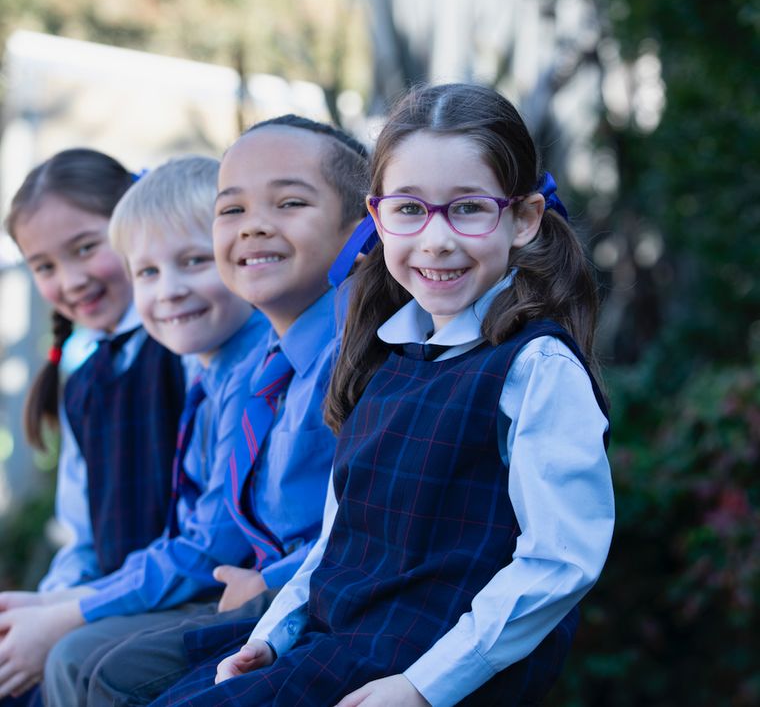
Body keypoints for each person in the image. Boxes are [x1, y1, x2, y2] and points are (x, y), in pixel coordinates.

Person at [157, 83, 615, 707]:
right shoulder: (382, 355)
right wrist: (276, 630)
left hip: (425, 670)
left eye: (469, 208)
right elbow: (338, 538)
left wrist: (423, 688)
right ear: (376, 218)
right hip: (338, 642)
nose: (436, 239)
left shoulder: (535, 367)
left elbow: (561, 563)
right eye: (409, 210)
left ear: (524, 219)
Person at [64, 115, 371, 707]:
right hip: (261, 593)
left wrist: (271, 584)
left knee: (96, 667)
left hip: (313, 605)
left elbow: (363, 524)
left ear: (360, 230)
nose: (255, 225)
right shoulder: (263, 366)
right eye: (232, 211)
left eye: (288, 203)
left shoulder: (356, 354)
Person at [0, 149, 186, 700]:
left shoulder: (184, 350)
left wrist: (65, 620)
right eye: (45, 266)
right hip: (101, 596)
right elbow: (82, 536)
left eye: (86, 248)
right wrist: (40, 611)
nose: (71, 279)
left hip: (163, 603)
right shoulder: (82, 378)